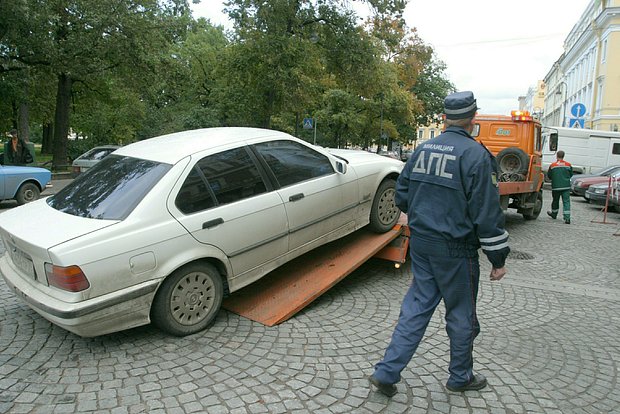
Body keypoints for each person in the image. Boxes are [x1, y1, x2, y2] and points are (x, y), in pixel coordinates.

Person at [369, 91, 510, 396]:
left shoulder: (422, 150)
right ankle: (460, 377)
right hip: (456, 251)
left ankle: (386, 372)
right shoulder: (476, 156)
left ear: (444, 119)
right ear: (473, 120)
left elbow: (401, 194)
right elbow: (487, 212)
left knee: (416, 308)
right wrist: (498, 259)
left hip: (421, 244)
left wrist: (424, 214)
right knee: (461, 315)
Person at [546, 151, 573, 224]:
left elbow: (549, 176)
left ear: (557, 156)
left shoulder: (553, 165)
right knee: (566, 202)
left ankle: (554, 214)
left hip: (556, 187)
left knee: (555, 201)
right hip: (566, 187)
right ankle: (567, 218)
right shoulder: (568, 165)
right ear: (563, 156)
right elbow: (571, 174)